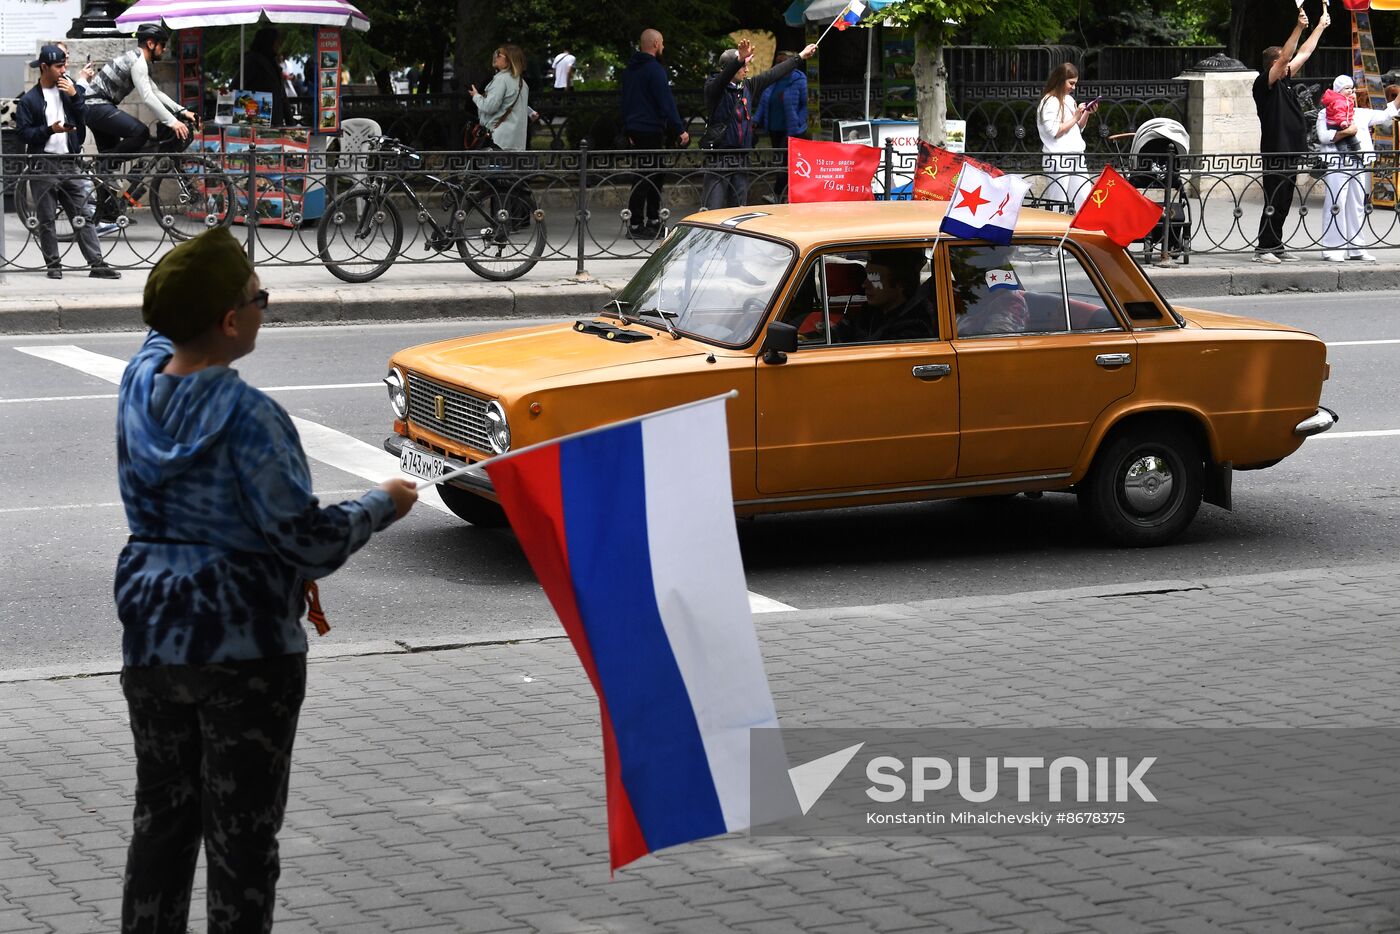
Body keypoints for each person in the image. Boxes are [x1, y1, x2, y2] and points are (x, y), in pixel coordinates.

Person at [114, 226, 418, 933]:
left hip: (152, 640)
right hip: (245, 654)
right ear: (229, 321)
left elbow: (161, 337)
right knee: (242, 842)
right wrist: (383, 503)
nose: (263, 308)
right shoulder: (252, 418)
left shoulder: (137, 385)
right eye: (260, 297)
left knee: (160, 826)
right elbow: (306, 544)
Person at [15, 45, 120, 281]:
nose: (64, 70)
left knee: (83, 215)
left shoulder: (67, 88)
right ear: (44, 67)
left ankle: (97, 264)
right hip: (43, 165)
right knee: (47, 220)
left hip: (71, 163)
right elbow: (23, 134)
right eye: (59, 66)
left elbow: (83, 114)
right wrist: (49, 130)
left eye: (65, 65)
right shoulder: (29, 100)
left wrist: (74, 95)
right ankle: (53, 265)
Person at [700, 38, 818, 210]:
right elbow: (723, 79)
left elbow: (772, 74)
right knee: (712, 210)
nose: (747, 70)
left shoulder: (746, 86)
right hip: (719, 157)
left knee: (738, 212)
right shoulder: (714, 87)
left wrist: (800, 57)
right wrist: (738, 59)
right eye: (742, 66)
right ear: (729, 67)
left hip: (741, 157)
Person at [1253, 3, 1329, 264]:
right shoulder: (1265, 83)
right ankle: (1264, 248)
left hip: (1291, 151)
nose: (1289, 64)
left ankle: (1276, 244)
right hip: (1276, 149)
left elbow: (1305, 53)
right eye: (1283, 61)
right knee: (1274, 197)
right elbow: (1288, 56)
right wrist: (1298, 27)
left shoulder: (1284, 81)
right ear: (1275, 63)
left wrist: (1319, 26)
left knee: (1285, 198)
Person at [1316, 74, 1399, 262]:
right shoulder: (1325, 114)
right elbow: (1323, 136)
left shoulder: (1360, 113)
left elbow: (1386, 114)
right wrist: (1345, 132)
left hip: (1359, 164)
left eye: (1353, 89)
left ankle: (1357, 248)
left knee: (1357, 205)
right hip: (1338, 163)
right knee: (1336, 204)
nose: (1351, 92)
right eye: (1347, 89)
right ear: (1337, 92)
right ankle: (1332, 249)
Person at [620, 28, 689, 240]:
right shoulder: (655, 70)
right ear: (656, 44)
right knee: (649, 176)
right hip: (651, 129)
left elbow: (625, 100)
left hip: (636, 129)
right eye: (663, 43)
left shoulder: (630, 70)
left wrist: (627, 128)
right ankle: (641, 223)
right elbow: (666, 102)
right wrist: (680, 130)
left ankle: (646, 220)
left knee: (645, 175)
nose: (664, 47)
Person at [85, 24, 197, 155]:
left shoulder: (136, 59)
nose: (165, 49)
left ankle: (102, 170)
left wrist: (182, 111)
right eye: (162, 44)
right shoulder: (138, 62)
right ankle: (104, 166)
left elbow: (155, 92)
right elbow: (148, 97)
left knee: (111, 158)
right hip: (95, 106)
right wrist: (173, 122)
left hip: (96, 107)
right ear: (150, 44)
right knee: (140, 132)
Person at [830, 251, 934, 344]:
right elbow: (843, 330)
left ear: (899, 284)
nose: (864, 285)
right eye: (867, 276)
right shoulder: (870, 311)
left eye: (874, 278)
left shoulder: (915, 326)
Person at [1036, 62, 1095, 211]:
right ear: (1061, 79)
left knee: (1083, 197)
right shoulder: (1049, 101)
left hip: (1075, 154)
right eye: (1071, 83)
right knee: (1059, 200)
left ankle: (1080, 231)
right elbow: (1054, 131)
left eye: (1075, 83)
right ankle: (1056, 232)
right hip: (1058, 157)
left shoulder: (1068, 100)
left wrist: (1086, 112)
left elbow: (1077, 128)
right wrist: (1075, 117)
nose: (1074, 87)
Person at [754, 50, 809, 203]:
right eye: (777, 62)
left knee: (785, 162)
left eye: (782, 62)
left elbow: (806, 104)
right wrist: (755, 119)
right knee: (780, 161)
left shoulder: (799, 79)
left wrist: (799, 121)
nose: (778, 65)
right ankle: (785, 195)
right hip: (774, 127)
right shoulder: (773, 79)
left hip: (791, 129)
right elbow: (764, 103)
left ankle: (778, 194)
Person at [470, 44, 530, 151]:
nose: (495, 56)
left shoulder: (501, 80)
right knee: (511, 167)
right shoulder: (522, 82)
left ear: (508, 59)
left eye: (499, 54)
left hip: (498, 139)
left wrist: (476, 96)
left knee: (495, 166)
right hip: (517, 140)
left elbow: (490, 107)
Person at [241, 27, 290, 126]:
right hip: (260, 121)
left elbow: (281, 93)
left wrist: (290, 121)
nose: (279, 45)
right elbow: (237, 86)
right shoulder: (252, 61)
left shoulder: (272, 62)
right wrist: (253, 105)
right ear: (268, 42)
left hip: (275, 120)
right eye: (277, 42)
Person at [1321, 79, 1363, 157]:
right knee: (1341, 142)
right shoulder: (1338, 101)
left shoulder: (1348, 103)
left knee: (1352, 139)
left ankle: (1357, 150)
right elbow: (1339, 112)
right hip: (1338, 124)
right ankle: (1346, 155)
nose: (1352, 94)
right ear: (1339, 91)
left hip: (1344, 123)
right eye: (1348, 89)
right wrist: (1343, 123)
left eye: (1353, 91)